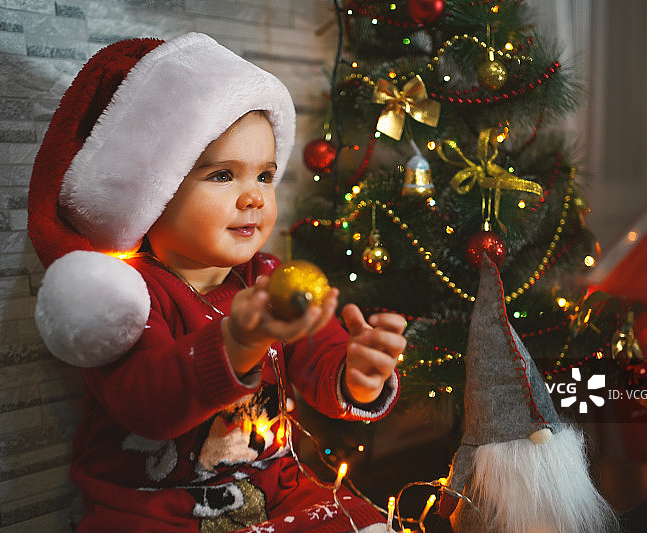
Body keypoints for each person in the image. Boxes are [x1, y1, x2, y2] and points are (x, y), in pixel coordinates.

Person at [27, 33, 406, 532]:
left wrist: (357, 375)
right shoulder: (122, 296)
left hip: (276, 493)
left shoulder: (271, 279)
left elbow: (320, 356)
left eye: (265, 176)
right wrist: (238, 342)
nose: (253, 197)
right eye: (224, 175)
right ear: (154, 191)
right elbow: (150, 405)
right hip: (158, 511)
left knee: (365, 523)